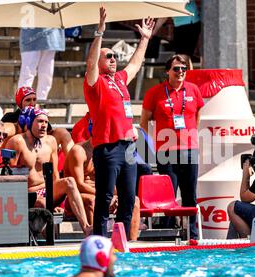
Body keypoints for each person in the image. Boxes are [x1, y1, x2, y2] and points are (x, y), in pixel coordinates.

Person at [84, 6, 154, 238]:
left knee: (127, 198)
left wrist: (144, 40)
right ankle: (100, 241)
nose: (113, 59)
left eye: (115, 56)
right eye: (109, 56)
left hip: (129, 148)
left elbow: (134, 64)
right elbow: (91, 64)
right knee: (104, 197)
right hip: (108, 147)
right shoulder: (96, 83)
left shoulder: (120, 80)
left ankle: (121, 241)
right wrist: (99, 32)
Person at [140, 54, 204, 239]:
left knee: (189, 193)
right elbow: (144, 121)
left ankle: (192, 234)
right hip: (166, 151)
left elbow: (197, 114)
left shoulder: (193, 90)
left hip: (189, 149)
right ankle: (166, 234)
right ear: (167, 71)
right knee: (167, 195)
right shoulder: (155, 92)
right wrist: (150, 144)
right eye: (176, 69)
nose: (181, 72)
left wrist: (189, 136)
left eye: (184, 69)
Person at [5, 107, 92, 235]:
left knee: (69, 182)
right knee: (42, 203)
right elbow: (10, 178)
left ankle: (86, 227)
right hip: (28, 193)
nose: (44, 126)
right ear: (29, 122)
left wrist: (58, 203)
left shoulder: (51, 141)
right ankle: (48, 245)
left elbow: (55, 175)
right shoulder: (17, 142)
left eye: (46, 122)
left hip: (48, 191)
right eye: (40, 121)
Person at [63, 136, 143, 240]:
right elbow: (78, 184)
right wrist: (106, 196)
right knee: (93, 200)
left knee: (134, 201)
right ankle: (96, 241)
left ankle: (129, 242)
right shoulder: (79, 151)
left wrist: (115, 197)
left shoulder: (112, 152)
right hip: (79, 196)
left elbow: (114, 183)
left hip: (103, 192)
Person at [18, 28, 65, 100]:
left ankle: (41, 102)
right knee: (28, 71)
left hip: (51, 32)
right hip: (30, 28)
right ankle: (24, 104)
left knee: (46, 72)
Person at [153, 1, 201, 70]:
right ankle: (189, 78)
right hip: (178, 26)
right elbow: (165, 13)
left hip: (190, 23)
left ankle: (187, 79)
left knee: (183, 56)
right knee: (184, 56)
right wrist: (154, 31)